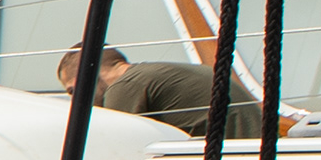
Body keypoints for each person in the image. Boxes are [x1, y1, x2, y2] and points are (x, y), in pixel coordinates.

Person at [52, 46, 262, 140]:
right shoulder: (156, 73)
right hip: (254, 150)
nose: (75, 100)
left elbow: (115, 142)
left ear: (86, 79)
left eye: (72, 91)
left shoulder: (126, 85)